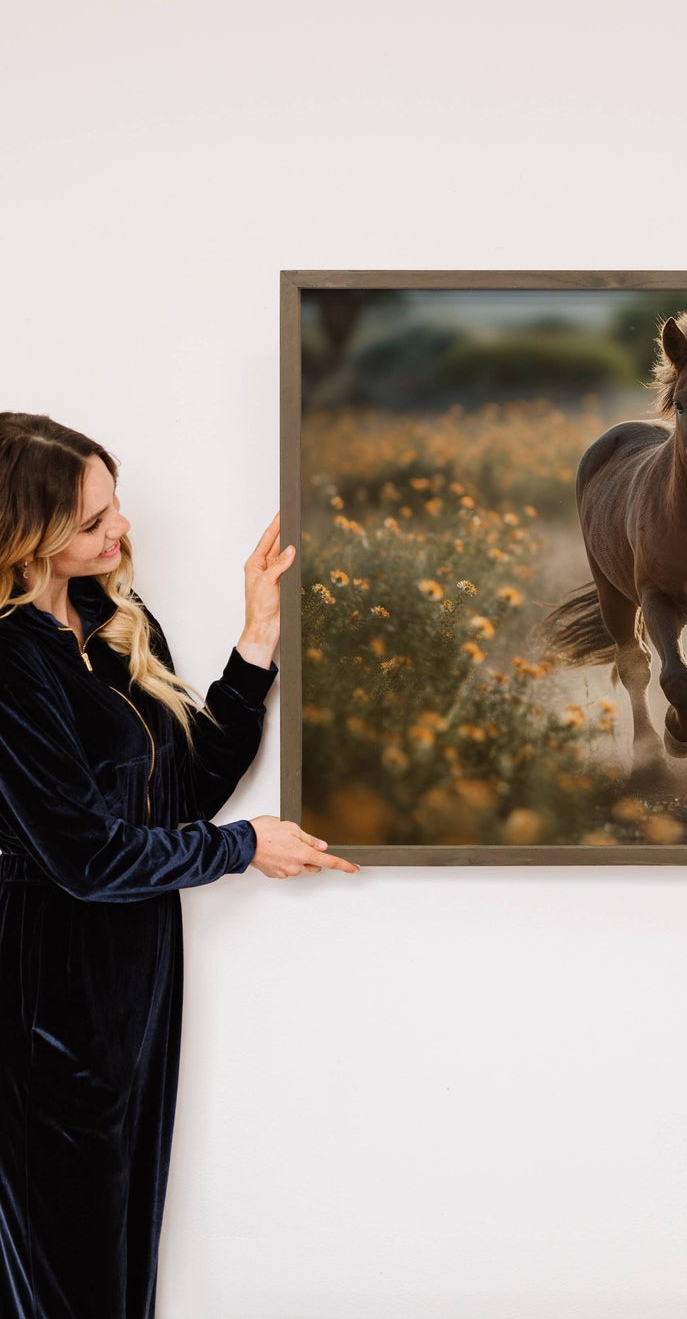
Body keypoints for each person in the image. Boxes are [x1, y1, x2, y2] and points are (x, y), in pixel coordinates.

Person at [0, 412, 360, 1319]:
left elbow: (184, 788)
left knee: (119, 1257)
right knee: (63, 1273)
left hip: (134, 984)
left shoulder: (111, 616)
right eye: (92, 522)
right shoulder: (8, 662)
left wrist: (258, 637)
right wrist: (245, 847)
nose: (119, 530)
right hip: (41, 997)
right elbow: (84, 856)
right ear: (25, 534)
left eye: (113, 504)